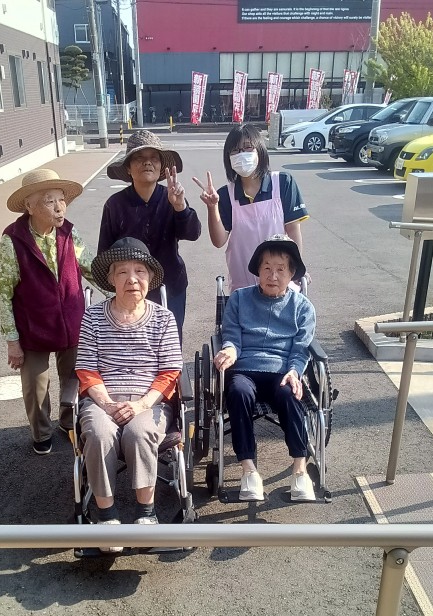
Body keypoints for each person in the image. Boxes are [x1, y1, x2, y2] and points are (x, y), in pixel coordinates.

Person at [75, 238, 183, 550]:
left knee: (139, 432)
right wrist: (108, 404)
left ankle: (146, 514)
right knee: (98, 432)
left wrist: (140, 405)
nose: (132, 279)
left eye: (140, 271)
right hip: (102, 400)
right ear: (110, 279)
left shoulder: (163, 318)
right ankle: (107, 518)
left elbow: (170, 372)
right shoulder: (93, 317)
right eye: (122, 272)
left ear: (150, 279)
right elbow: (86, 369)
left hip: (149, 401)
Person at [0, 168, 97, 455]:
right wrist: (12, 340)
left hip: (70, 323)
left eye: (61, 199)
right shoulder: (13, 240)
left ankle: (67, 421)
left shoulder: (69, 233)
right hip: (33, 327)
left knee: (73, 377)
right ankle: (41, 433)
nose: (59, 207)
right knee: (36, 386)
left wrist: (121, 291)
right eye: (49, 200)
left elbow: (90, 267)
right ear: (29, 206)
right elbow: (2, 293)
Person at [213, 235, 316, 502]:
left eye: (281, 269)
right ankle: (249, 470)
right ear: (258, 270)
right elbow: (231, 335)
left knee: (290, 394)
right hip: (244, 369)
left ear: (292, 274)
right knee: (237, 392)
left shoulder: (302, 307)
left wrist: (295, 371)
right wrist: (230, 350)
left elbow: (301, 348)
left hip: (282, 371)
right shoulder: (239, 299)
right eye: (267, 268)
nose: (273, 275)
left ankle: (300, 469)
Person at [99, 130, 201, 339]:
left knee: (169, 343)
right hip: (130, 288)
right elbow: (105, 254)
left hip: (170, 286)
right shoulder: (115, 204)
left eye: (154, 158)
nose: (147, 162)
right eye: (139, 158)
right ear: (128, 167)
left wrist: (180, 206)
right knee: (132, 345)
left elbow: (192, 233)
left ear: (162, 167)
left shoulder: (171, 196)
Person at [193, 123, 309, 292]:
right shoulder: (225, 195)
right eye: (235, 150)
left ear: (260, 151)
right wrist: (212, 207)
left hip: (280, 285)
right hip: (244, 288)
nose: (242, 154)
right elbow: (218, 241)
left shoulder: (283, 183)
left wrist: (296, 270)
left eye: (248, 148)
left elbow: (293, 231)